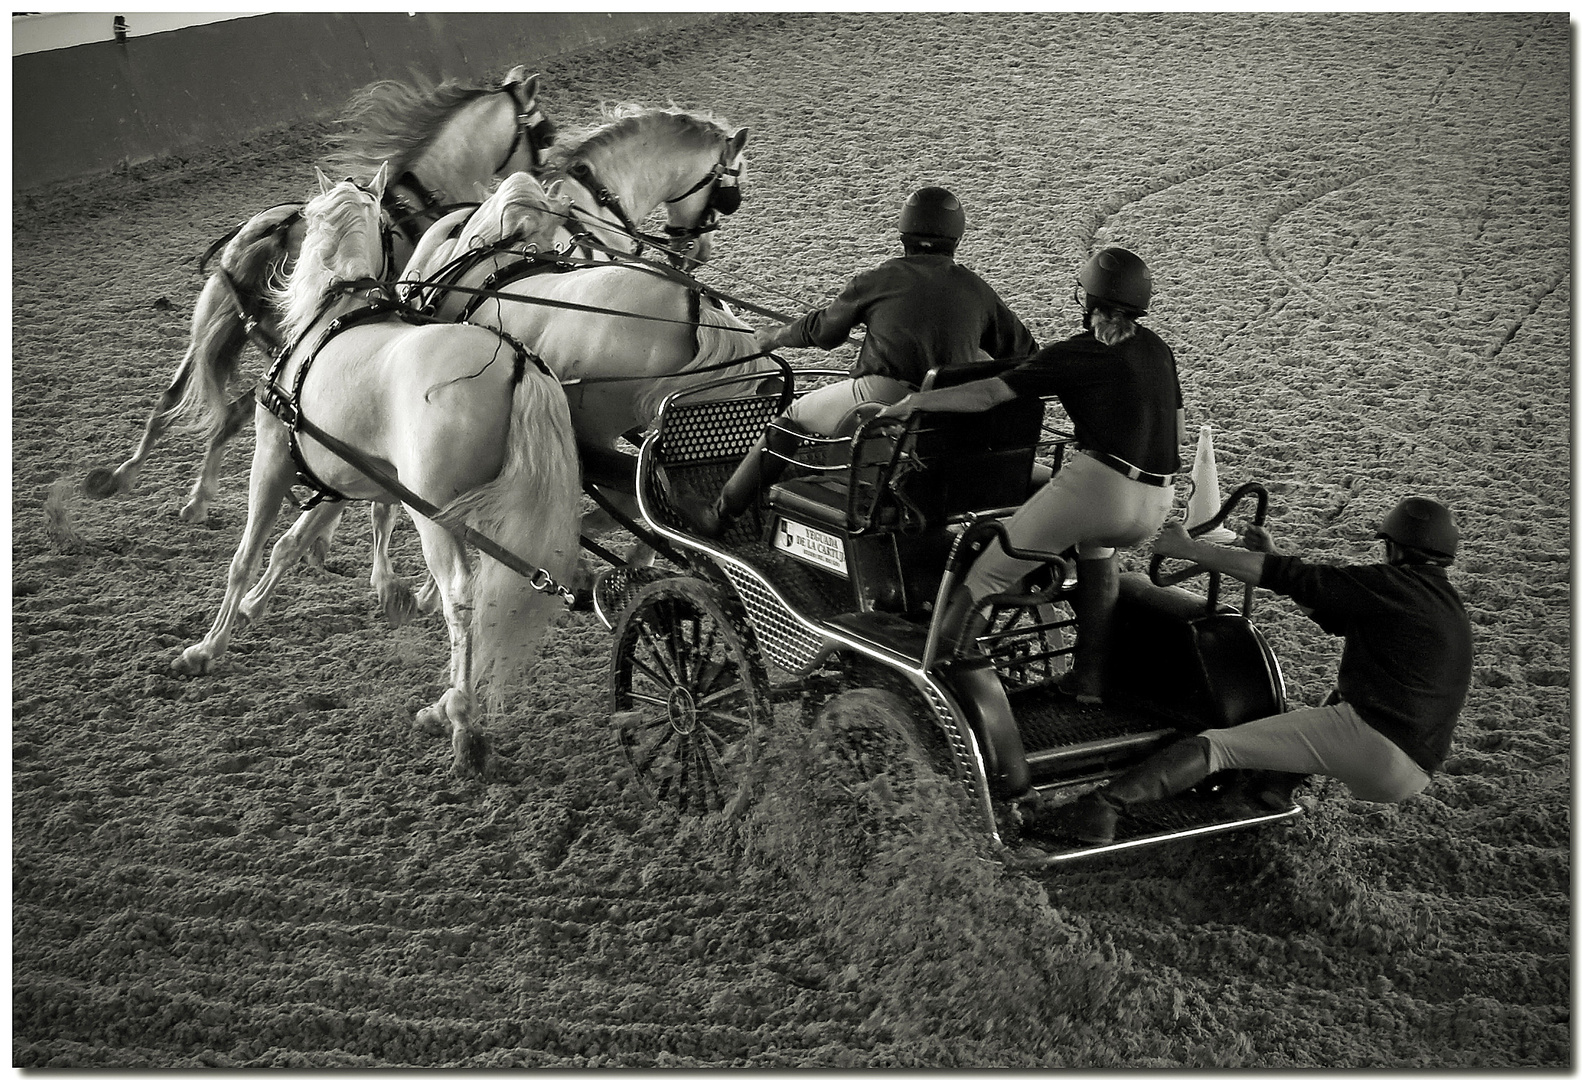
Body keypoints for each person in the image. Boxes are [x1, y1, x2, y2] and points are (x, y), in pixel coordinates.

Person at [1034, 495, 1474, 846]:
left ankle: (1101, 808)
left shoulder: (1391, 584)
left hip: (1373, 739)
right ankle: (1268, 791)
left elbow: (1290, 577)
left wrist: (1188, 549)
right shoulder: (1442, 605)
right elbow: (1324, 607)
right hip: (1417, 766)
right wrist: (1273, 557)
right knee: (1333, 705)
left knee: (1219, 746)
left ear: (1392, 545)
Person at [877, 246, 1184, 704]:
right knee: (1098, 556)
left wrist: (916, 402)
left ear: (1091, 302)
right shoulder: (1158, 349)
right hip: (1158, 502)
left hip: (1101, 489)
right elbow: (1176, 428)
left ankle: (935, 694)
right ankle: (1089, 683)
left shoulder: (1079, 352)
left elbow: (988, 395)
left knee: (985, 580)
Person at [681, 186, 1035, 538]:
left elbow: (824, 331)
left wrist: (776, 336)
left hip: (881, 396)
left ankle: (722, 514)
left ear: (903, 235)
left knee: (791, 419)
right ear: (956, 238)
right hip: (946, 412)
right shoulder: (977, 289)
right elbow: (1025, 353)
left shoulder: (880, 278)